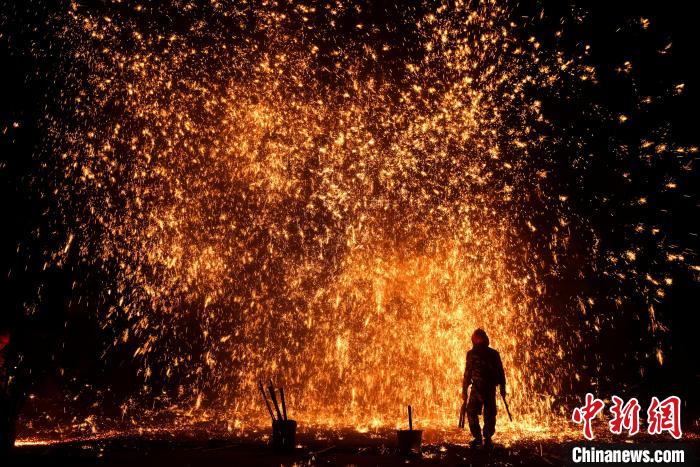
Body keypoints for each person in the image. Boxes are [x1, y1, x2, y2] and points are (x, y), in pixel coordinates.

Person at [462, 328, 506, 448]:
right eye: (476, 337)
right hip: (476, 388)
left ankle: (487, 438)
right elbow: (467, 373)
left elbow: (500, 372)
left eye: (478, 337)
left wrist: (503, 387)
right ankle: (478, 437)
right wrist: (464, 389)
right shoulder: (471, 354)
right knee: (471, 411)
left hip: (489, 388)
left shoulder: (493, 354)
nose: (477, 339)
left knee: (489, 413)